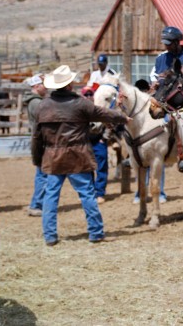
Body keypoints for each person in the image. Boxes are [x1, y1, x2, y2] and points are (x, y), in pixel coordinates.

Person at [32, 65, 129, 246]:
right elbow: (103, 113)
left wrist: (38, 159)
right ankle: (95, 232)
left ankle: (50, 236)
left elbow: (36, 137)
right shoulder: (80, 103)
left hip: (53, 157)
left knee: (51, 196)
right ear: (70, 85)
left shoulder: (42, 106)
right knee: (87, 195)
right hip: (77, 155)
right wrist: (122, 117)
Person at [149, 26, 183, 173]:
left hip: (181, 101)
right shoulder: (161, 57)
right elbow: (153, 75)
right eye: (165, 43)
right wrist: (155, 82)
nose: (167, 45)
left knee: (181, 119)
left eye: (169, 43)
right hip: (161, 96)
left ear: (177, 42)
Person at [132, 79, 167, 204]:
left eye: (144, 90)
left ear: (148, 90)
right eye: (140, 91)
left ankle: (161, 193)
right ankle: (139, 193)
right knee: (140, 167)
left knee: (157, 167)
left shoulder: (154, 101)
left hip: (154, 139)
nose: (143, 93)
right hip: (139, 141)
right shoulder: (135, 105)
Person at [22, 74, 48, 216]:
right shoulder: (37, 103)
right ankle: (37, 204)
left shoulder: (34, 102)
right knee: (43, 174)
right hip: (42, 141)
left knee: (41, 174)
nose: (46, 88)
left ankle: (37, 203)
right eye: (44, 85)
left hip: (38, 140)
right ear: (37, 86)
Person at [81, 86, 112, 205]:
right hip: (85, 142)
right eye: (86, 94)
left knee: (101, 167)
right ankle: (90, 192)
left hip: (99, 141)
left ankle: (100, 193)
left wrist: (104, 138)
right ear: (83, 96)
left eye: (90, 94)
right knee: (87, 168)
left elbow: (109, 123)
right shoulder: (80, 110)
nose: (89, 96)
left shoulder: (99, 109)